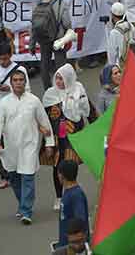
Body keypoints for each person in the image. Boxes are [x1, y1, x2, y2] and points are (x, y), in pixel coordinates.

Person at [0, 69, 55, 225]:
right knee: (14, 178)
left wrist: (49, 143)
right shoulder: (4, 103)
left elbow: (44, 122)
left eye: (21, 80)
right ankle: (22, 204)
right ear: (11, 83)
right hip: (11, 147)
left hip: (29, 146)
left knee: (28, 177)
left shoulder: (34, 101)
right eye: (15, 80)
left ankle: (26, 211)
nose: (18, 83)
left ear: (25, 82)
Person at [0, 42, 30, 190]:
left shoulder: (20, 70)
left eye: (6, 58)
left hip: (17, 112)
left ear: (10, 55)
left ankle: (21, 170)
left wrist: (10, 89)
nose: (3, 62)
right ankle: (5, 176)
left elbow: (27, 91)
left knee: (18, 142)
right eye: (0, 59)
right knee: (0, 144)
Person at [42, 64, 90, 212]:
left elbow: (89, 111)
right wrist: (48, 141)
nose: (58, 81)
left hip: (73, 136)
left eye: (62, 78)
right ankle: (58, 196)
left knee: (70, 165)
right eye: (57, 78)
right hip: (57, 138)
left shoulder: (78, 90)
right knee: (57, 166)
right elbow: (43, 119)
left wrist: (98, 127)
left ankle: (71, 194)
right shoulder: (50, 94)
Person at [29, 0, 72, 90]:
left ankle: (47, 89)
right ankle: (62, 89)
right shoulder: (60, 4)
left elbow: (33, 26)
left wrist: (32, 44)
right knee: (60, 66)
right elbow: (67, 23)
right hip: (58, 38)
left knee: (44, 64)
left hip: (43, 38)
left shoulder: (38, 4)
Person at [53, 159, 90, 251]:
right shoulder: (69, 192)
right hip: (66, 243)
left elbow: (80, 221)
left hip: (73, 247)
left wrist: (76, 246)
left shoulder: (76, 195)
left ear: (61, 175)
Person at [105, 2, 135, 67]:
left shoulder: (114, 32)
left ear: (112, 15)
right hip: (132, 60)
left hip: (120, 65)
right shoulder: (131, 26)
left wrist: (111, 66)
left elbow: (112, 53)